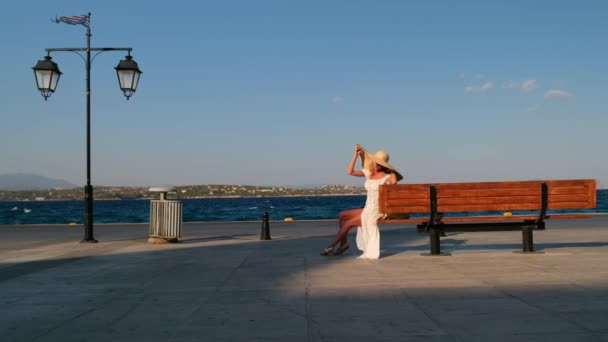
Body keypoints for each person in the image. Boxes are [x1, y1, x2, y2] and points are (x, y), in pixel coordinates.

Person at [321, 144, 403, 259]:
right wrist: (355, 155)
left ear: (384, 165)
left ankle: (330, 246)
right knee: (342, 215)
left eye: (379, 163)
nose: (375, 164)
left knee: (348, 223)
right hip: (368, 207)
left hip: (378, 209)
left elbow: (395, 185)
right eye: (375, 161)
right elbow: (350, 172)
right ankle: (344, 244)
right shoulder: (369, 173)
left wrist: (393, 174)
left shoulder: (388, 176)